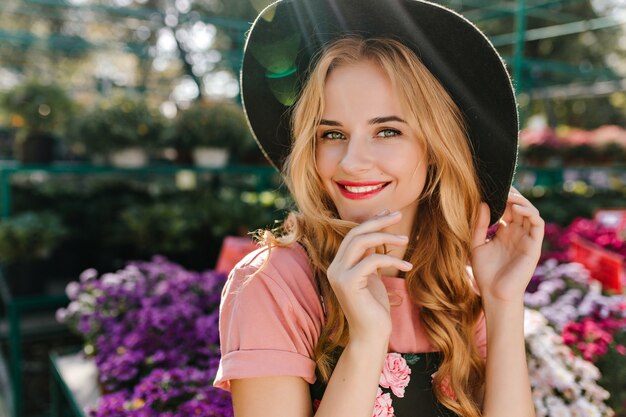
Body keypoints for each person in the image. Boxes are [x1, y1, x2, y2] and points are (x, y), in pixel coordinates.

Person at [214, 1, 544, 416]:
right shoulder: (275, 284)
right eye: (332, 134)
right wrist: (367, 339)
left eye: (387, 131)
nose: (352, 161)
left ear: (436, 147)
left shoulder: (456, 289)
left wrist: (502, 301)